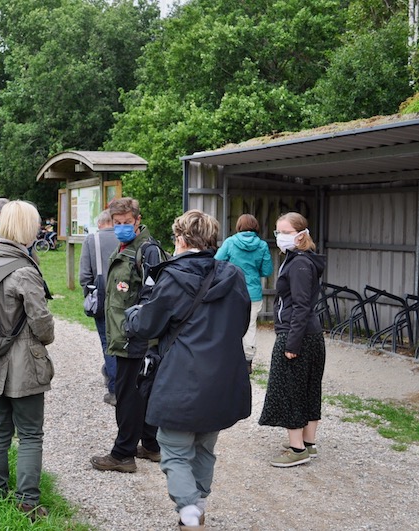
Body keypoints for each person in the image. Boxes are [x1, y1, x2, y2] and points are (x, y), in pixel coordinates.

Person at [124, 209, 252, 530]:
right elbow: (241, 322)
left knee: (174, 448)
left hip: (183, 377)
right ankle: (199, 503)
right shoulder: (234, 275)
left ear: (181, 239)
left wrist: (132, 314)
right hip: (223, 377)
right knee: (205, 445)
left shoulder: (173, 277)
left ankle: (190, 512)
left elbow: (148, 323)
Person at [0, 200, 55, 519]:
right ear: (27, 229)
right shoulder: (25, 270)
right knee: (30, 434)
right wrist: (48, 334)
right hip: (23, 368)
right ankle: (28, 502)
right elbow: (41, 324)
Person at [91, 197, 164, 473]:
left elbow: (152, 297)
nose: (121, 227)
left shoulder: (147, 250)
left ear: (137, 219)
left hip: (135, 337)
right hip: (125, 334)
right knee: (140, 391)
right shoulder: (126, 247)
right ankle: (150, 445)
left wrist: (137, 330)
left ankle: (123, 454)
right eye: (117, 222)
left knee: (128, 395)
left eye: (126, 222)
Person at [259, 212, 327, 468]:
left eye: (285, 232)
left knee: (291, 390)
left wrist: (292, 344)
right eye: (278, 232)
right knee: (309, 388)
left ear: (300, 235)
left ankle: (297, 448)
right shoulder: (302, 260)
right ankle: (308, 443)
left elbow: (300, 306)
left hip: (296, 333)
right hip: (310, 334)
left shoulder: (298, 263)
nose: (280, 237)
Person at [215, 213, 273, 374]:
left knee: (228, 325)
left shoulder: (230, 242)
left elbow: (216, 261)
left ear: (239, 226)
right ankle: (247, 361)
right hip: (253, 293)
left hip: (231, 291)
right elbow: (267, 270)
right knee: (250, 327)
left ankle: (228, 360)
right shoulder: (262, 245)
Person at [78, 209, 120, 406]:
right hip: (127, 299)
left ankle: (115, 391)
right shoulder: (129, 238)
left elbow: (84, 276)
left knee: (108, 343)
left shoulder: (91, 240)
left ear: (100, 223)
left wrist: (90, 293)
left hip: (102, 299)